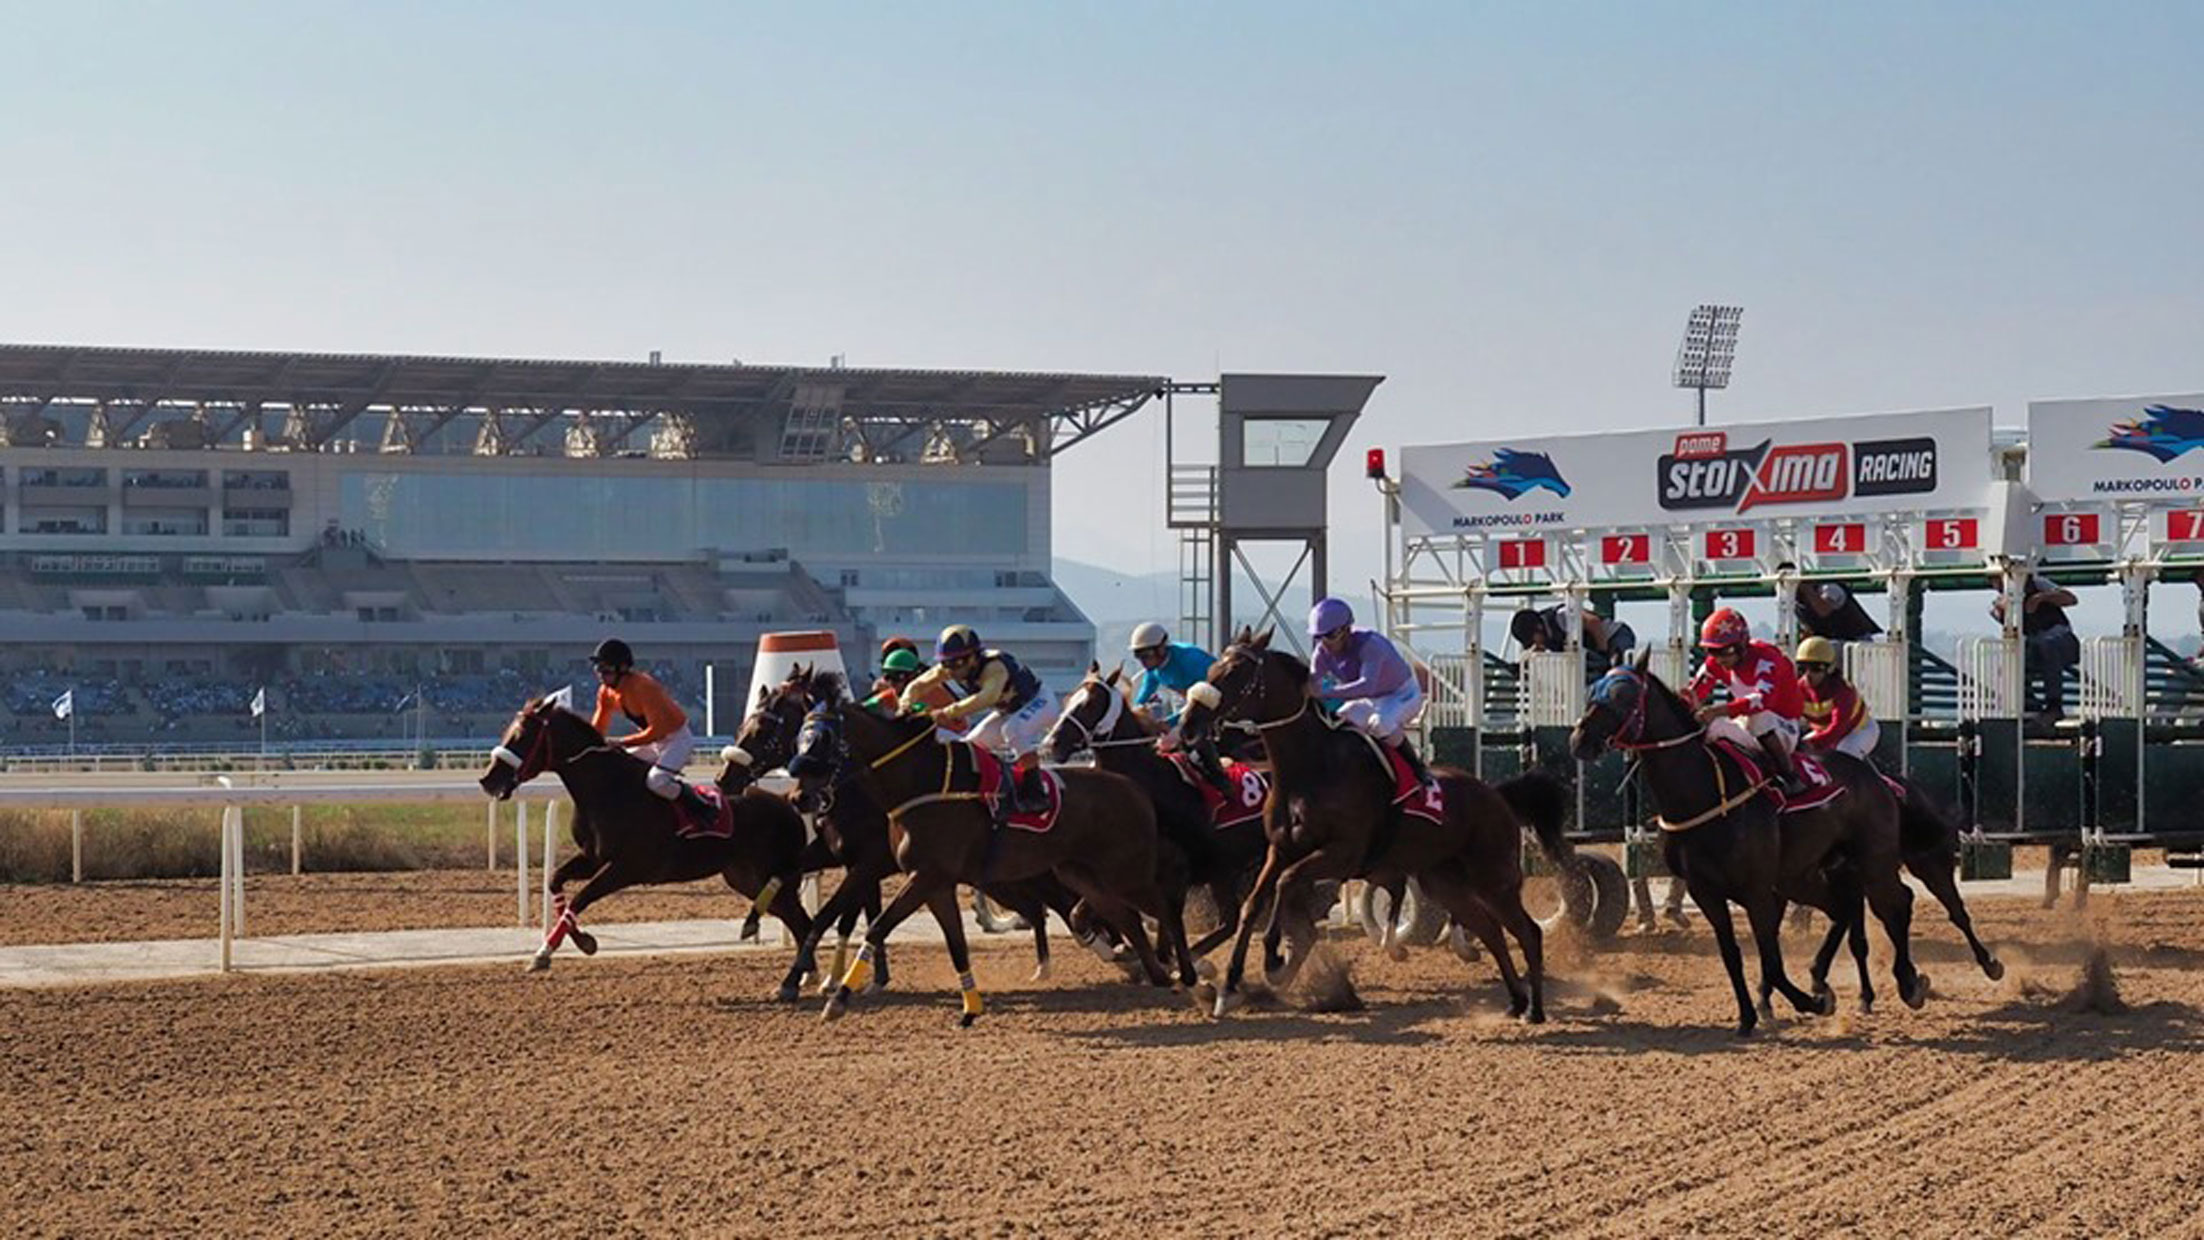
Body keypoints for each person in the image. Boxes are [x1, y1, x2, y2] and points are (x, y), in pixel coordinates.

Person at [901, 625, 1059, 815]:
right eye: (947, 663)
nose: (951, 671)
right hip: (1009, 710)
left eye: (957, 663)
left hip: (1039, 701)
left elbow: (986, 698)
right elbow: (917, 685)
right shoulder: (951, 667)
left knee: (1013, 730)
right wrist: (905, 705)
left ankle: (1036, 795)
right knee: (971, 745)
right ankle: (993, 787)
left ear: (973, 656)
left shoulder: (994, 667)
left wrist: (946, 713)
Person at [1685, 607, 1808, 795]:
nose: (1719, 659)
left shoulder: (1767, 658)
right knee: (1707, 727)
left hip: (1783, 726)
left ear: (1741, 645)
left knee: (1759, 717)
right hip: (1746, 723)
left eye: (1726, 651)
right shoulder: (1714, 662)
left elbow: (1761, 701)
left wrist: (1718, 711)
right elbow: (1694, 692)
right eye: (1712, 651)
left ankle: (1789, 775)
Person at [586, 638, 713, 821]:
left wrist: (620, 742)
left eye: (606, 670)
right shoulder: (605, 692)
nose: (600, 675)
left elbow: (657, 731)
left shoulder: (643, 686)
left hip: (677, 740)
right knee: (619, 766)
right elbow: (597, 729)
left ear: (622, 668)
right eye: (598, 670)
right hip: (654, 743)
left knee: (657, 781)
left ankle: (701, 806)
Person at [1308, 597, 1431, 783]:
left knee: (1381, 723)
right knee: (1336, 722)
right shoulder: (1321, 653)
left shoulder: (1371, 645)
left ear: (1346, 630)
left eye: (1330, 636)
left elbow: (1367, 685)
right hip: (1370, 699)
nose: (1325, 643)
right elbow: (1311, 681)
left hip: (1402, 694)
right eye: (1319, 637)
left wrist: (1326, 692)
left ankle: (1416, 767)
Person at [1988, 567, 2080, 725]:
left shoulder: (2038, 584)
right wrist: (2006, 611)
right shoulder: (1999, 605)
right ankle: (2026, 705)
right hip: (2033, 646)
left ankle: (2054, 705)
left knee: (2048, 647)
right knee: (2011, 659)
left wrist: (2041, 598)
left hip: (2061, 641)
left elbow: (2070, 599)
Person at [1795, 635, 1882, 763]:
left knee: (1844, 756)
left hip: (1858, 730)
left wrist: (1812, 743)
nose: (1808, 675)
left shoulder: (1843, 691)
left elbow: (1837, 728)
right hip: (1824, 731)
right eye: (1802, 668)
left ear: (1829, 669)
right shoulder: (1797, 689)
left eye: (1816, 668)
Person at [1127, 622, 1215, 725]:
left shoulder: (1191, 660)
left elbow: (1203, 700)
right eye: (1138, 655)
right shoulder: (1153, 669)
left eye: (1147, 654)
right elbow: (1142, 698)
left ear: (1161, 648)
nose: (1143, 661)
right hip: (1188, 703)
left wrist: (1170, 722)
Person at [1509, 604, 1638, 674]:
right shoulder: (1545, 635)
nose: (1535, 643)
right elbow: (1536, 652)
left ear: (1538, 628)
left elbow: (1594, 622)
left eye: (1532, 639)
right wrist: (1522, 667)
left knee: (1619, 671)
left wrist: (1603, 653)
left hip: (1615, 635)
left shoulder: (1561, 616)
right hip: (1592, 648)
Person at [1777, 562, 1883, 643]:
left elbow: (1824, 610)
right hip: (1833, 642)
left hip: (1859, 640)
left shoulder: (1828, 588)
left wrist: (1805, 588)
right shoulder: (1796, 603)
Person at [860, 647, 923, 713]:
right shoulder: (884, 700)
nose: (891, 682)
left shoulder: (922, 702)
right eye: (887, 676)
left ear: (912, 678)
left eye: (897, 676)